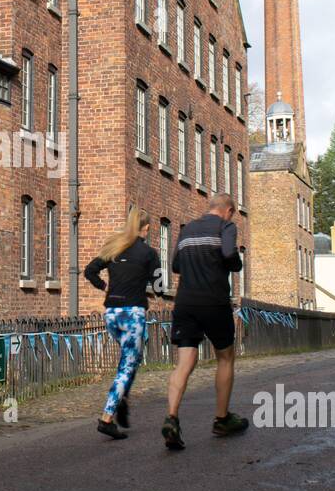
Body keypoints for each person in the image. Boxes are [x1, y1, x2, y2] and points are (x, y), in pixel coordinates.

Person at [163, 193, 247, 450]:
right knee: (225, 356)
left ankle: (172, 418)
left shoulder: (187, 229)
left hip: (185, 303)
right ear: (229, 211)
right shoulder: (227, 226)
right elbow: (229, 253)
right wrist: (234, 263)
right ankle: (222, 419)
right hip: (214, 301)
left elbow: (176, 265)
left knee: (185, 361)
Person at [85, 208, 162, 440]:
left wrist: (104, 287)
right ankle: (107, 418)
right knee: (127, 367)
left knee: (132, 358)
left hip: (111, 314)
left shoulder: (115, 247)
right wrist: (145, 284)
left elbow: (90, 271)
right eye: (149, 228)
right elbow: (159, 287)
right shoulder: (149, 253)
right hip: (133, 314)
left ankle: (123, 398)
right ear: (145, 229)